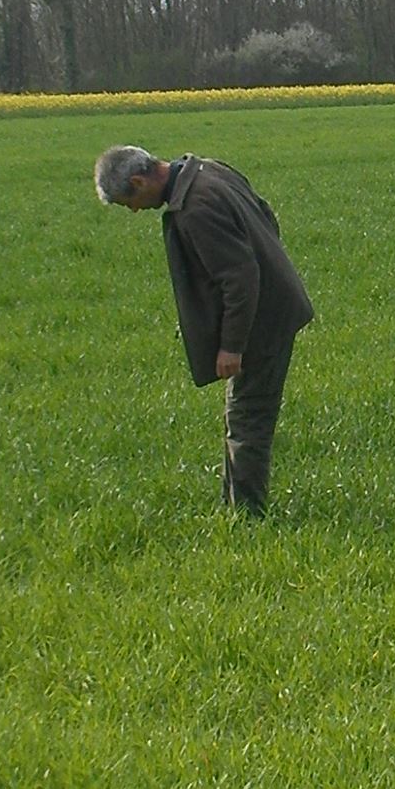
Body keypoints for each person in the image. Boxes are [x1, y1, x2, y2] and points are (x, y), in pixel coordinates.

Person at [94, 143, 314, 516]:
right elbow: (266, 216)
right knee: (239, 415)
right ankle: (233, 504)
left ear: (138, 180)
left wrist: (232, 346)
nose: (133, 211)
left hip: (263, 320)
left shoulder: (195, 208)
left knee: (247, 420)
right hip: (275, 305)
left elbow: (240, 279)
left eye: (127, 202)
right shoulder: (208, 169)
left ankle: (246, 516)